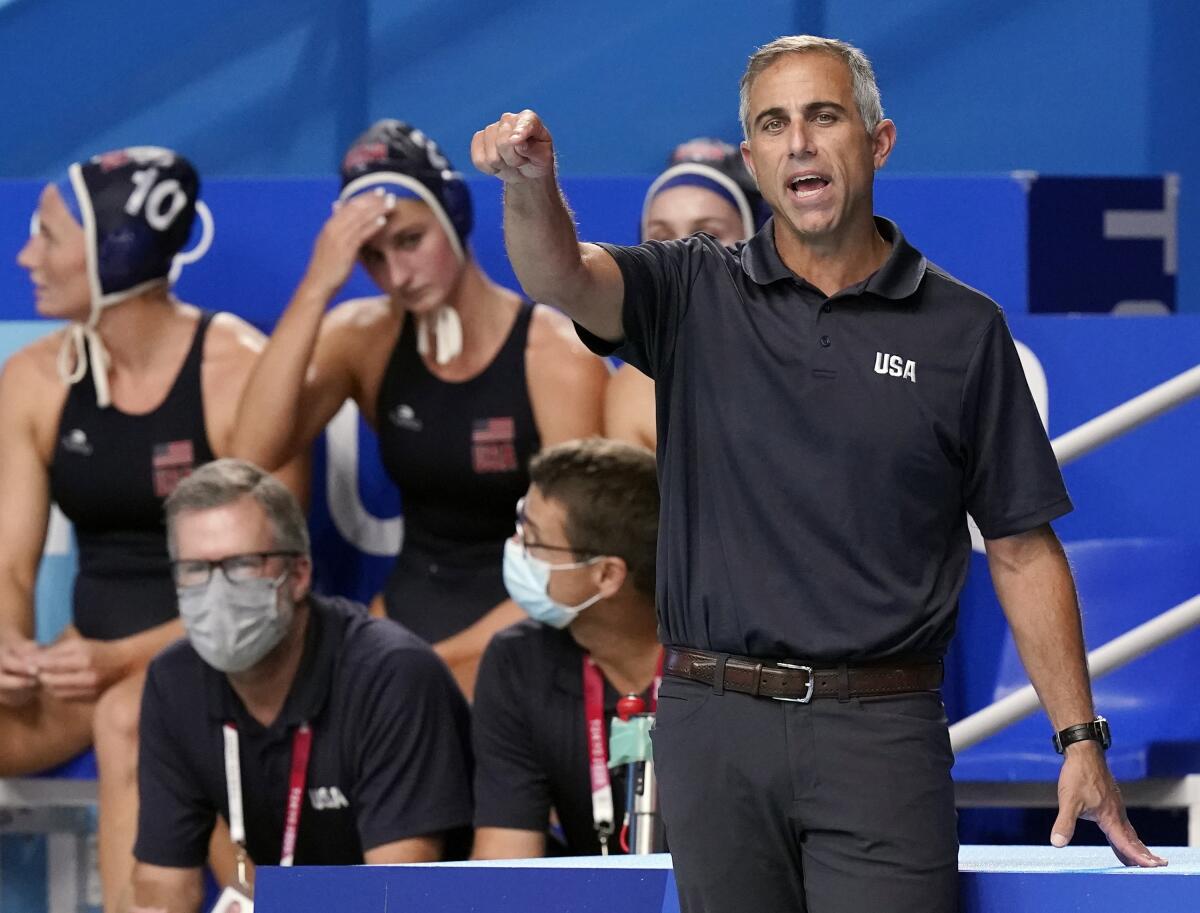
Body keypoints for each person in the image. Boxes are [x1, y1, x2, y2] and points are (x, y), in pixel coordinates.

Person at [471, 34, 1165, 913]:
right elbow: (561, 276)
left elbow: (1022, 547)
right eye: (773, 123)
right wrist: (530, 187)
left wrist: (1079, 739)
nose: (798, 141)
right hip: (713, 722)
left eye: (823, 116)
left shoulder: (964, 331)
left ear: (878, 142)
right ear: (754, 159)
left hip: (880, 732)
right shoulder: (690, 289)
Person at [0, 146, 305, 912]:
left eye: (48, 233)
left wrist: (117, 660)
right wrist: (8, 648)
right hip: (87, 665)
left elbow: (270, 582)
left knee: (132, 713)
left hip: (228, 657)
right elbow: (9, 564)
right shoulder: (35, 379)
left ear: (115, 250)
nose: (24, 254)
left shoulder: (237, 370)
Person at [230, 120, 608, 697]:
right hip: (409, 613)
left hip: (524, 622)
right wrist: (316, 286)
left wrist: (431, 663)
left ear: (453, 216)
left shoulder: (550, 356)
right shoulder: (366, 338)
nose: (397, 276)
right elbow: (251, 457)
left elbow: (581, 558)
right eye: (373, 258)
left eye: (409, 241)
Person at [127, 459, 473, 913]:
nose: (216, 591)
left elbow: (398, 895)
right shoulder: (175, 682)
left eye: (242, 564)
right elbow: (160, 886)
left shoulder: (390, 674)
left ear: (299, 574)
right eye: (194, 569)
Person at [471, 437, 660, 859]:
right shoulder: (516, 663)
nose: (516, 549)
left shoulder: (715, 665)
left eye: (534, 540)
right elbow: (505, 868)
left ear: (606, 575)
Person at [606, 138, 765, 451]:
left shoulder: (813, 355)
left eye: (707, 235)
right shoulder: (634, 389)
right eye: (661, 237)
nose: (680, 255)